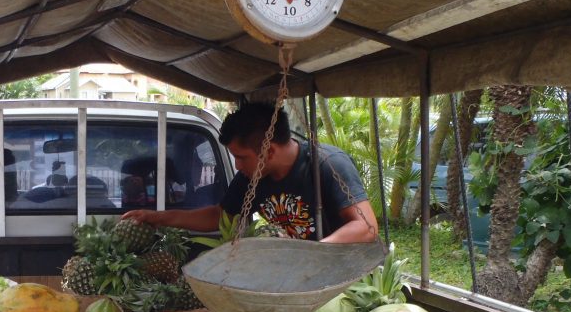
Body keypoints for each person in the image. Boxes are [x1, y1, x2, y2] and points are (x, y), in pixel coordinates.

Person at [122, 102, 379, 243]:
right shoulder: (251, 177)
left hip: (342, 276)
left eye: (241, 157)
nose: (237, 166)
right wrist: (158, 217)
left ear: (268, 151)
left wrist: (318, 252)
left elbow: (366, 227)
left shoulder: (328, 164)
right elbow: (219, 216)